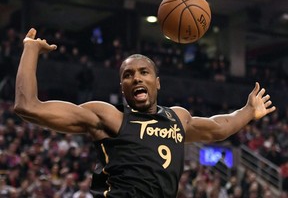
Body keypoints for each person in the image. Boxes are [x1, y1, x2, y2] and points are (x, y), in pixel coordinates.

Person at [14, 28, 276, 198]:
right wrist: (30, 49)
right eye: (128, 75)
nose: (136, 78)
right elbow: (28, 107)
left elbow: (218, 127)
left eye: (143, 72)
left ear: (157, 82)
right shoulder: (109, 117)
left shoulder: (178, 118)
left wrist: (248, 110)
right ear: (122, 87)